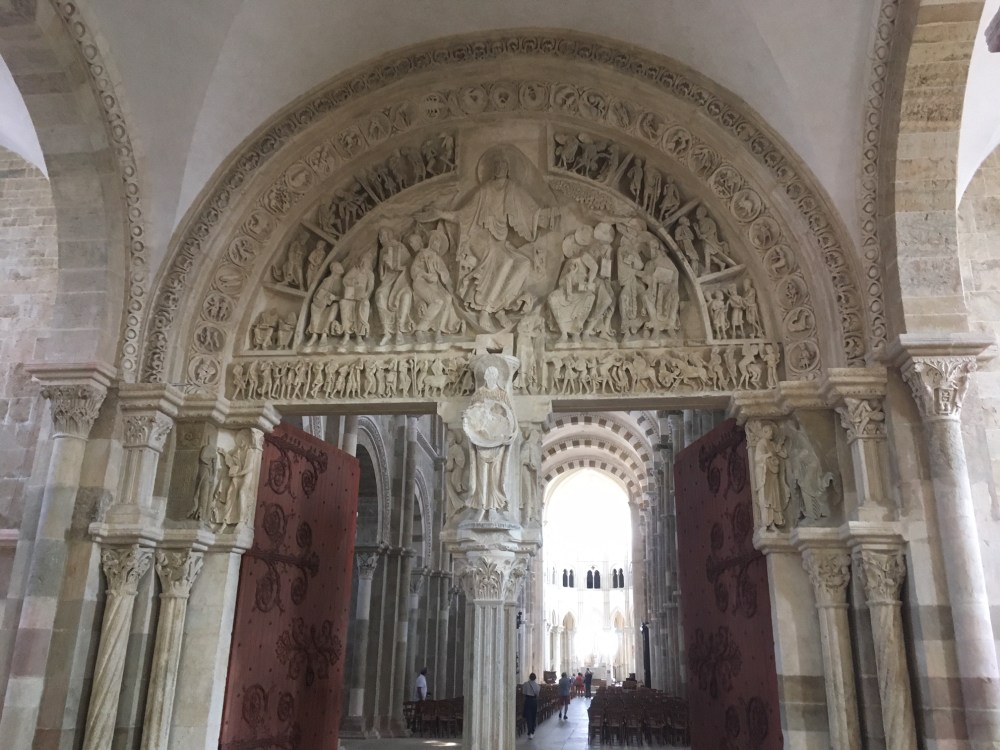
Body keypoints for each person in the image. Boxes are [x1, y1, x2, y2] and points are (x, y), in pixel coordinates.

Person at [522, 672, 540, 739]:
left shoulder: (525, 684)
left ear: (529, 677)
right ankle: (532, 731)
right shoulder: (537, 686)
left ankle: (529, 732)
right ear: (535, 678)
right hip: (534, 701)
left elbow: (523, 693)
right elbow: (537, 694)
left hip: (527, 701)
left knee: (528, 716)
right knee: (533, 716)